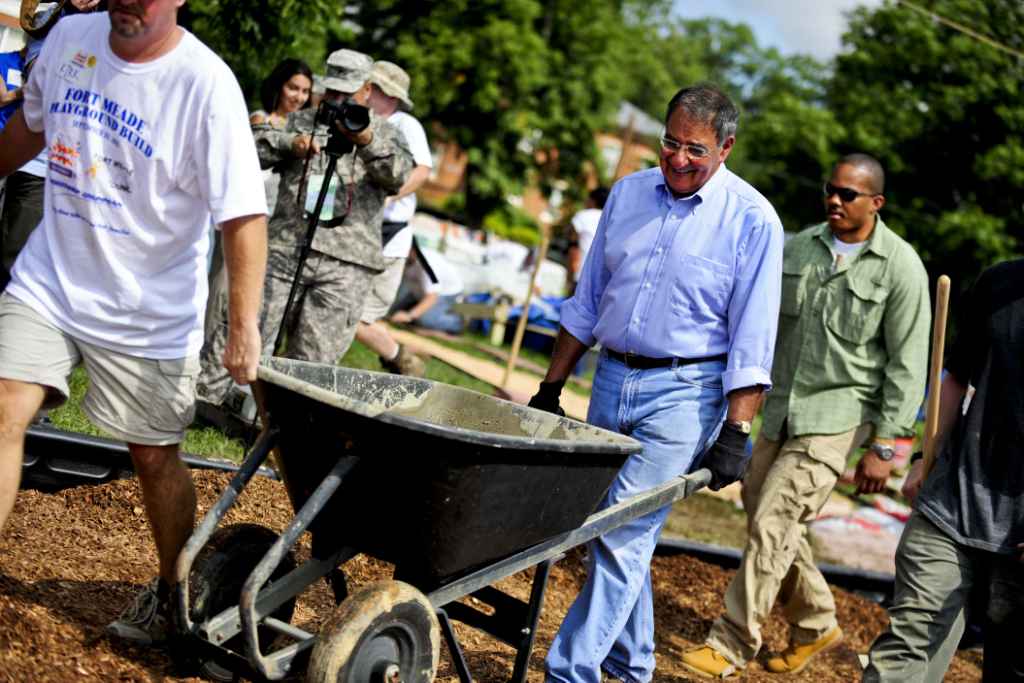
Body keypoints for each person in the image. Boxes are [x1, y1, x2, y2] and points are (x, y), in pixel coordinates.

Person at [0, 0, 268, 646]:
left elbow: (243, 216)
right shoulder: (68, 40)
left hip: (147, 311)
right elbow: (30, 129)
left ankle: (177, 601)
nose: (126, 1)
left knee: (153, 457)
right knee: (3, 403)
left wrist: (244, 325)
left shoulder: (206, 86)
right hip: (53, 278)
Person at [530, 83, 785, 683]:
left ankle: (570, 671)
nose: (677, 159)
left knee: (622, 529)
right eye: (670, 143)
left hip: (684, 391)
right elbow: (588, 299)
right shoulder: (627, 195)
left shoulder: (752, 220)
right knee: (616, 530)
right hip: (611, 377)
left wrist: (736, 429)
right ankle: (633, 662)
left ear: (725, 148)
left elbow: (752, 336)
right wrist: (550, 386)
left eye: (694, 150)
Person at [682, 154, 931, 678]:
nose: (835, 201)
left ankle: (729, 644)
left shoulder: (901, 267)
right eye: (831, 190)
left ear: (876, 203)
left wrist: (886, 445)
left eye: (848, 195)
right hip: (783, 408)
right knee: (764, 514)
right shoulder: (799, 248)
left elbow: (909, 364)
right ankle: (817, 623)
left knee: (775, 519)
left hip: (839, 414)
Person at [195, 49, 413, 409]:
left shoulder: (386, 134)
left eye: (348, 94)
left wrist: (367, 141)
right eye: (333, 93)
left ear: (367, 90)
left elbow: (401, 176)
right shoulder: (301, 121)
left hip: (347, 264)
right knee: (244, 329)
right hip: (285, 248)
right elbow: (246, 152)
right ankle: (206, 405)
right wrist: (289, 144)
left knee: (315, 359)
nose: (339, 101)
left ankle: (288, 429)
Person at [863, 260, 1024, 682]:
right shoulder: (999, 281)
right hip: (951, 505)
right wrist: (923, 457)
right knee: (907, 645)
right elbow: (957, 376)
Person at [203, 58, 312, 345]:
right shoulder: (260, 122)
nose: (298, 97)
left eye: (305, 91)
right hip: (242, 224)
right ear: (279, 86)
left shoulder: (309, 136)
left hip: (279, 235)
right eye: (293, 87)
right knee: (222, 296)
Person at [354, 60, 433, 376]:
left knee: (356, 318)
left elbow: (422, 170)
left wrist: (388, 196)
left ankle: (403, 360)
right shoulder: (359, 117)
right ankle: (401, 358)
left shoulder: (405, 125)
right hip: (356, 230)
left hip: (388, 236)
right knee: (340, 312)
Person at [390, 247, 465, 335]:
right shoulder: (403, 260)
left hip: (446, 292)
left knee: (425, 320)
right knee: (394, 313)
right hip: (420, 291)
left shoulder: (428, 264)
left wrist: (410, 315)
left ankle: (456, 322)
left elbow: (432, 297)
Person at [566, 186, 609, 294]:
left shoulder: (583, 217)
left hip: (581, 276)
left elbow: (573, 247)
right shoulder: (610, 219)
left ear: (592, 200)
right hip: (601, 281)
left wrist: (570, 276)